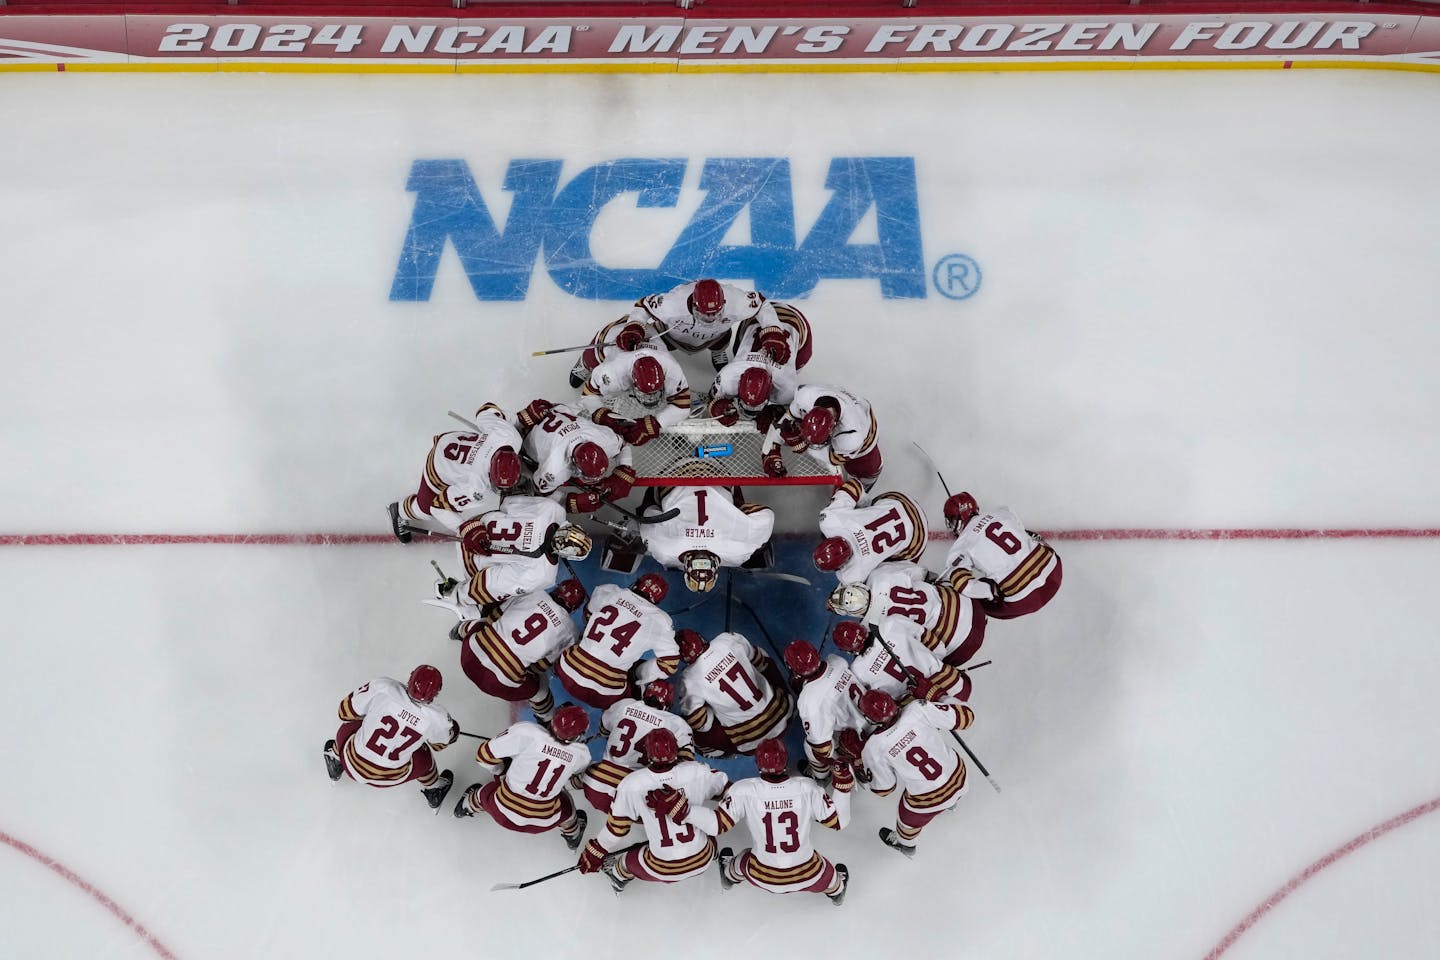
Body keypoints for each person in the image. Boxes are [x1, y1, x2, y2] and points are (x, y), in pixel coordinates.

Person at [691, 738, 850, 906]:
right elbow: (839, 821)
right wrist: (843, 783)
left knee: (744, 858)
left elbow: (717, 826)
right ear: (786, 762)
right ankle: (837, 891)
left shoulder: (743, 790)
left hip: (763, 875)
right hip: (807, 874)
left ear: (758, 764)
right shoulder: (807, 787)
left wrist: (684, 811)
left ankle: (729, 876)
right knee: (828, 875)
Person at [576, 729, 730, 894]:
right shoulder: (697, 771)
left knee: (625, 862)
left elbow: (617, 829)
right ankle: (715, 856)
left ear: (647, 754)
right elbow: (729, 791)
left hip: (662, 868)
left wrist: (598, 848)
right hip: (702, 859)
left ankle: (617, 876)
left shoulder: (632, 784)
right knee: (707, 830)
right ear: (675, 751)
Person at [569, 278, 779, 386]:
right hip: (673, 337)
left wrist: (772, 331)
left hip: (715, 337)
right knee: (647, 356)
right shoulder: (672, 303)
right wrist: (634, 326)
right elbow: (643, 306)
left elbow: (762, 305)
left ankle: (717, 352)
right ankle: (587, 363)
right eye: (705, 314)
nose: (710, 319)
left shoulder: (738, 301)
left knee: (720, 341)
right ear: (693, 304)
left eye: (715, 313)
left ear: (724, 302)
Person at [452, 704, 591, 849]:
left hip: (502, 813)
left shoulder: (528, 732)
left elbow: (483, 756)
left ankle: (466, 806)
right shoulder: (582, 754)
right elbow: (574, 770)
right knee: (567, 805)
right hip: (542, 823)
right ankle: (573, 834)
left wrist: (500, 772)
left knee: (485, 793)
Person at [856, 690, 975, 857]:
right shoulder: (918, 708)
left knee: (906, 820)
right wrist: (938, 694)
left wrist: (860, 761)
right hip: (961, 778)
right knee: (940, 777)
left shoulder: (873, 747)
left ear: (869, 719)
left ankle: (906, 846)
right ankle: (951, 803)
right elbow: (967, 717)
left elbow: (885, 789)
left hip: (928, 801)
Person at [429, 496, 591, 617]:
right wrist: (459, 595)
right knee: (521, 596)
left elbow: (508, 504)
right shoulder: (543, 574)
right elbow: (492, 584)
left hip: (473, 526)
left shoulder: (553, 509)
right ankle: (467, 607)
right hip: (471, 559)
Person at [322, 665, 458, 810]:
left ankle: (336, 761)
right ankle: (433, 790)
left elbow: (344, 712)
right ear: (437, 692)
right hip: (391, 777)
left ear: (410, 677)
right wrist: (451, 730)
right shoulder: (439, 718)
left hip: (351, 762)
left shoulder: (384, 687)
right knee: (425, 758)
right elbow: (439, 746)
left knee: (350, 723)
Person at [453, 578, 586, 721]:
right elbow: (539, 668)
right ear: (575, 608)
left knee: (482, 624)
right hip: (500, 685)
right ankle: (547, 719)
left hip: (469, 657)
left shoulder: (535, 593)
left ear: (557, 589)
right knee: (541, 689)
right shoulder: (571, 633)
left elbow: (493, 617)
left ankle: (458, 631)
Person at [388, 403, 524, 542]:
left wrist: (514, 419)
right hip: (439, 466)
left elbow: (485, 411)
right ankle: (399, 511)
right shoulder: (476, 487)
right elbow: (438, 507)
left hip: (452, 441)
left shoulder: (508, 435)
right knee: (425, 509)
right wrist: (464, 528)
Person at [827, 560, 988, 669]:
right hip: (973, 606)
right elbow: (925, 574)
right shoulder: (880, 575)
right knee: (934, 583)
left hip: (962, 648)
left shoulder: (870, 629)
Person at [554, 573, 681, 709]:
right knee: (636, 696)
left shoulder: (608, 591)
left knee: (578, 639)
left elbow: (587, 617)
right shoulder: (660, 620)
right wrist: (639, 673)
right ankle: (610, 723)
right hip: (606, 696)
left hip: (566, 672)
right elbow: (670, 664)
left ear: (636, 584)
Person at [579, 680, 696, 813]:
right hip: (633, 797)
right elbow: (686, 763)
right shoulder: (677, 724)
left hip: (594, 787)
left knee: (586, 767)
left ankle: (574, 781)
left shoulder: (624, 704)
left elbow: (604, 729)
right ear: (668, 704)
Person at [942, 493, 1062, 620]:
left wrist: (991, 590)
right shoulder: (1004, 512)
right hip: (1054, 573)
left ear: (956, 522)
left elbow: (962, 584)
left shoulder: (960, 546)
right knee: (1028, 537)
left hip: (1024, 602)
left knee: (975, 593)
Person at [674, 629, 791, 757]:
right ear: (701, 638)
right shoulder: (727, 639)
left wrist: (713, 706)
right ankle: (789, 700)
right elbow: (759, 659)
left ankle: (716, 752)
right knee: (763, 659)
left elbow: (701, 724)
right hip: (784, 714)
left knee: (688, 728)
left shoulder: (688, 678)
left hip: (750, 743)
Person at [637, 485, 775, 592]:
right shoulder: (663, 552)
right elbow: (647, 512)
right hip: (672, 475)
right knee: (648, 513)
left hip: (720, 474)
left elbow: (767, 515)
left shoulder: (737, 552)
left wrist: (733, 514)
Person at [516, 398, 636, 515]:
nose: (597, 480)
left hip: (557, 412)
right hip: (528, 433)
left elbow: (624, 445)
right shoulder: (555, 468)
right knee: (523, 470)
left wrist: (624, 469)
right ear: (574, 463)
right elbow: (541, 492)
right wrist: (574, 503)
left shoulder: (604, 439)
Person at [763, 384, 882, 490]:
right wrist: (773, 447)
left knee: (865, 473)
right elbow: (788, 419)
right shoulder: (805, 396)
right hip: (839, 396)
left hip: (865, 427)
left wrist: (803, 445)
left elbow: (833, 459)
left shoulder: (852, 436)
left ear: (834, 427)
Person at [811, 478, 928, 584]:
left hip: (918, 538)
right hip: (901, 501)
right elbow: (854, 484)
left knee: (881, 578)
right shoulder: (829, 519)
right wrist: (865, 507)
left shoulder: (853, 575)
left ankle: (923, 577)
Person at [782, 639, 868, 783]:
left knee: (811, 747)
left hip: (854, 736)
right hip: (870, 718)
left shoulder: (808, 700)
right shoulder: (836, 660)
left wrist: (836, 763)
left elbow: (821, 748)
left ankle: (821, 777)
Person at [830, 621, 970, 705]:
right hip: (957, 684)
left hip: (931, 707)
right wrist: (937, 662)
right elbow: (930, 640)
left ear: (848, 651)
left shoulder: (858, 671)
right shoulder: (889, 624)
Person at [579, 347, 692, 446]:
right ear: (632, 378)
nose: (651, 398)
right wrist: (604, 416)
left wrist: (654, 424)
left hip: (651, 337)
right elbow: (588, 394)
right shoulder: (612, 373)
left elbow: (683, 404)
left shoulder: (672, 369)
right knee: (590, 359)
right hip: (613, 339)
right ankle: (583, 364)